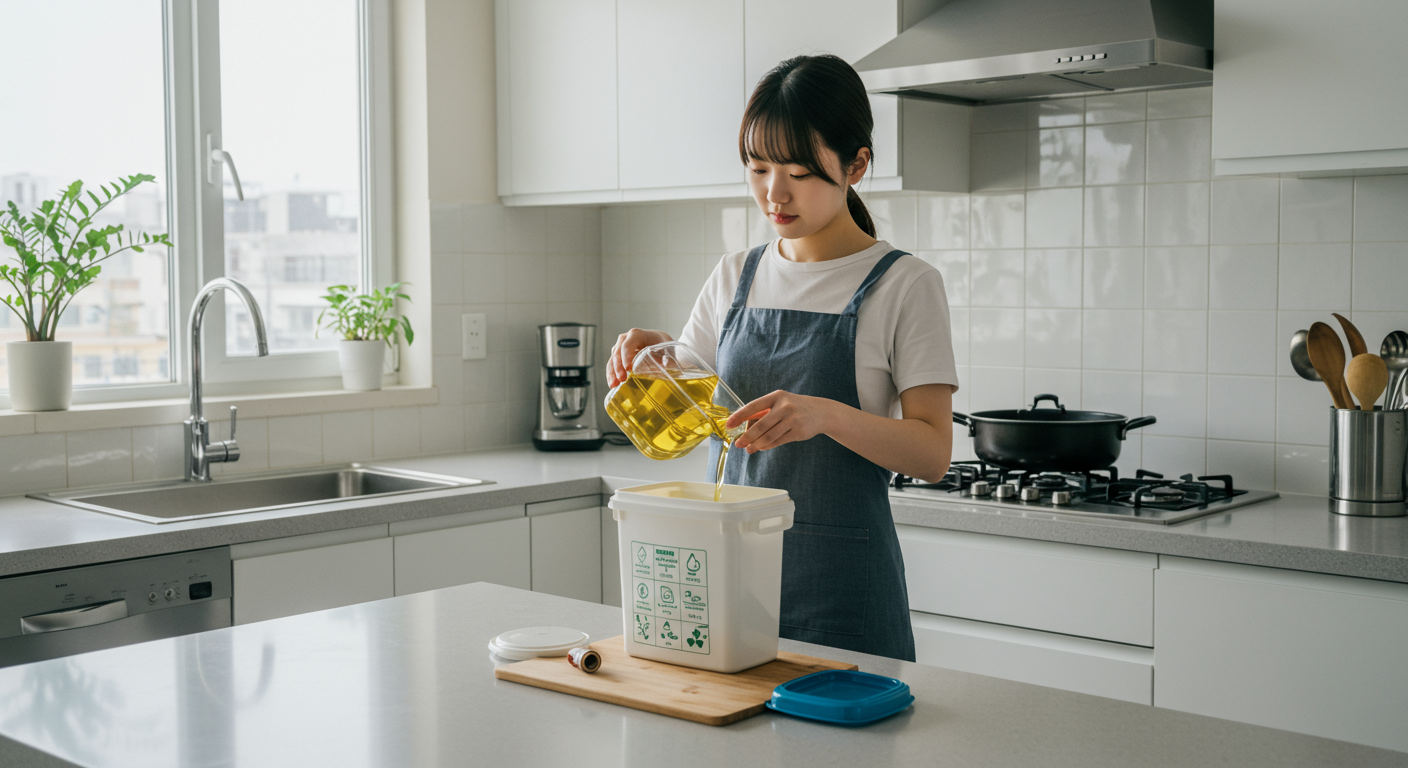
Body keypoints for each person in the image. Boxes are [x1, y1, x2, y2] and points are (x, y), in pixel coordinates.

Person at [607, 54, 957, 662]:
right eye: (759, 167)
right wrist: (655, 355)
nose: (774, 193)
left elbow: (932, 453)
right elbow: (691, 407)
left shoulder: (906, 285)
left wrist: (825, 415)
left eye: (798, 171)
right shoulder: (732, 276)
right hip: (729, 585)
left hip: (842, 594)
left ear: (856, 165)